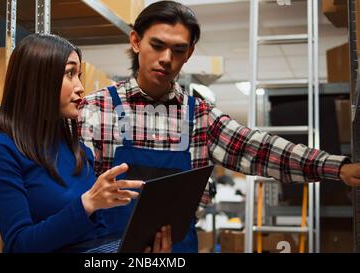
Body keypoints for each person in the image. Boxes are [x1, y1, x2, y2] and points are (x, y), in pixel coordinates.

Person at [78, 0, 360, 253]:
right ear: (136, 42)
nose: (166, 58)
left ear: (189, 53)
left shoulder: (200, 116)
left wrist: (337, 168)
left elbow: (259, 150)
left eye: (178, 50)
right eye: (157, 45)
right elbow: (73, 193)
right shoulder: (96, 110)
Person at [0, 33, 172, 253]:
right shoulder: (1, 151)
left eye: (78, 75)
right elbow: (19, 245)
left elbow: (96, 237)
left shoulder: (76, 150)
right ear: (38, 80)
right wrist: (87, 203)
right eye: (69, 74)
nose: (80, 87)